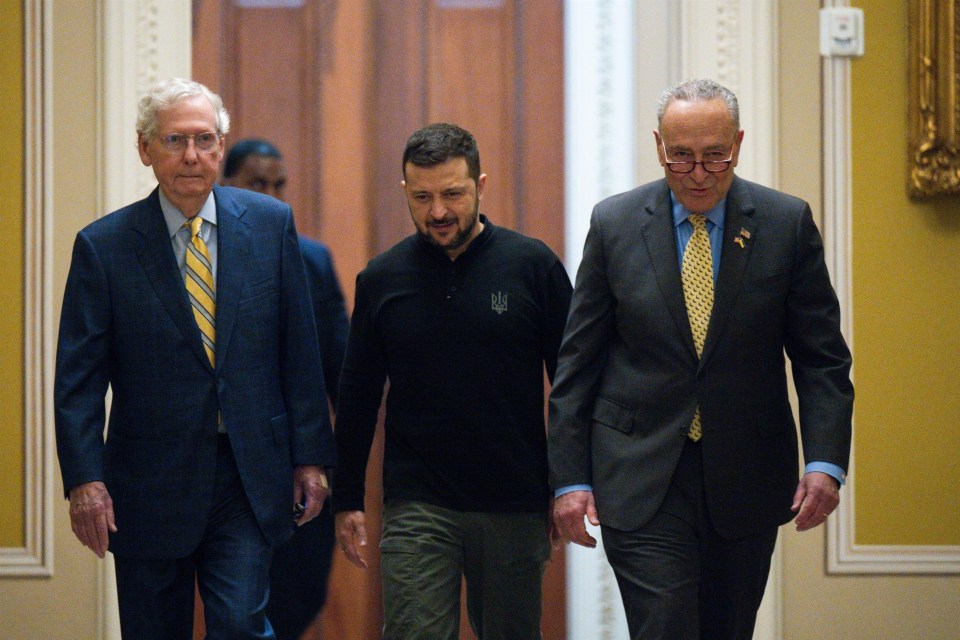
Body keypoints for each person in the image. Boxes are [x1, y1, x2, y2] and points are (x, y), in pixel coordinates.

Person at [548, 79, 854, 640]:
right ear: (658, 145)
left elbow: (821, 359)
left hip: (747, 473)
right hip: (638, 471)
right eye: (681, 156)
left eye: (715, 155)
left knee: (726, 628)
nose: (697, 172)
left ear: (737, 144)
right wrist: (568, 478)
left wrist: (825, 462)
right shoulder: (615, 224)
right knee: (664, 625)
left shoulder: (785, 225)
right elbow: (577, 365)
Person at [54, 78, 336, 640]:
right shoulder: (103, 247)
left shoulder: (269, 225)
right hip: (146, 482)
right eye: (175, 140)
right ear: (145, 149)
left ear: (221, 147)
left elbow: (299, 354)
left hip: (247, 473)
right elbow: (79, 382)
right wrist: (85, 480)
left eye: (205, 140)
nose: (191, 156)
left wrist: (310, 457)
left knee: (238, 623)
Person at [333, 123, 572, 640]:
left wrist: (569, 482)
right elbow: (357, 395)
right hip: (418, 504)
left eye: (452, 194)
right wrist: (348, 497)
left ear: (481, 186)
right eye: (422, 197)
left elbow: (572, 385)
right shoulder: (382, 278)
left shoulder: (532, 267)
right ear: (406, 193)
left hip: (513, 501)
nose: (438, 211)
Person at [222, 138, 349, 640]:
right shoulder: (199, 259)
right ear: (226, 185)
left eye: (278, 185)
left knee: (299, 602)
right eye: (258, 184)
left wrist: (344, 468)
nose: (272, 196)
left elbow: (340, 369)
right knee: (237, 610)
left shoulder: (312, 260)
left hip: (298, 467)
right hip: (227, 468)